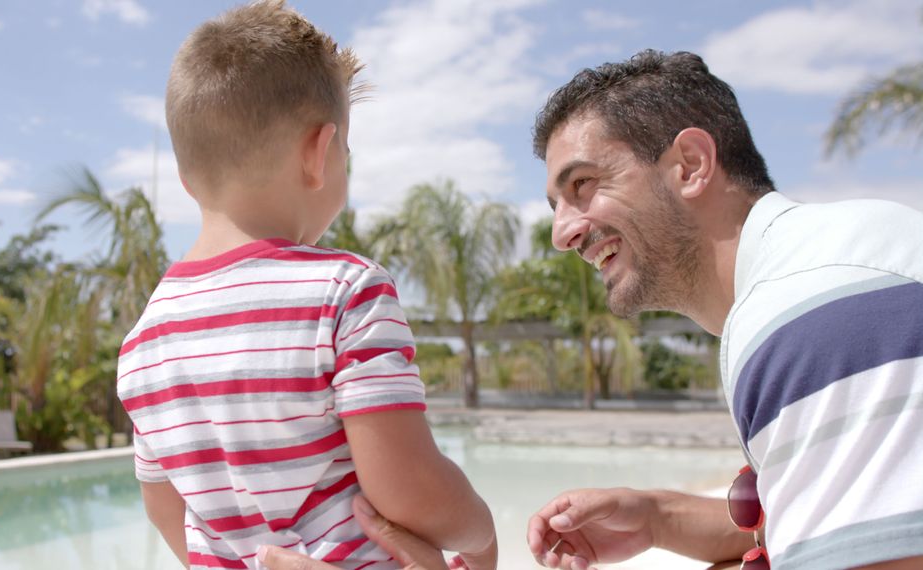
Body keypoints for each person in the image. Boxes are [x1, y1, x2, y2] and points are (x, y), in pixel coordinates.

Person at [262, 49, 923, 570]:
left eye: (583, 187)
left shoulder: (812, 315)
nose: (563, 232)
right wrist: (659, 516)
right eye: (555, 204)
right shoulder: (827, 269)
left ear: (691, 164)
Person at [116, 2, 496, 569]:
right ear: (319, 154)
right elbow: (408, 489)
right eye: (348, 154)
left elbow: (166, 511)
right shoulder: (346, 293)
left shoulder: (143, 341)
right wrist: (480, 533)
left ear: (186, 179)